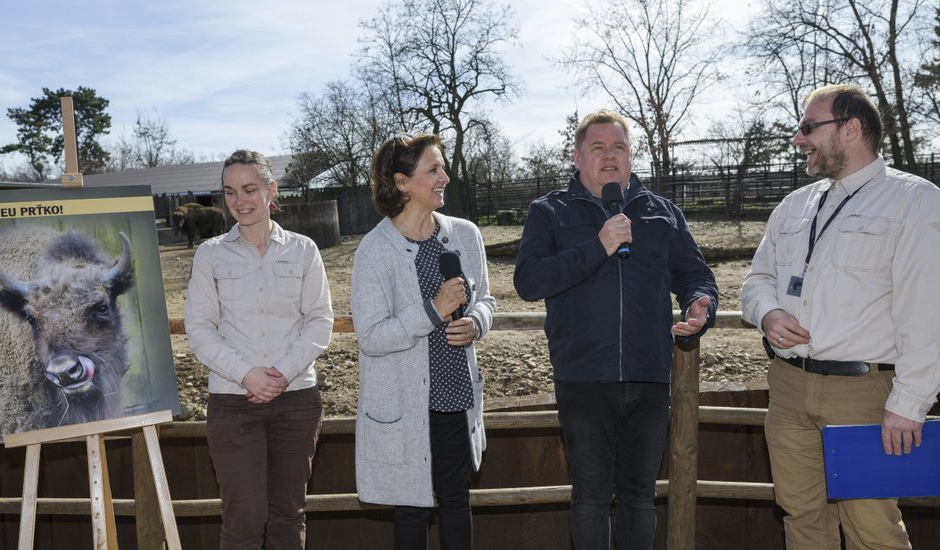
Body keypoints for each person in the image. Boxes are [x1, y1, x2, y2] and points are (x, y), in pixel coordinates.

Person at [741, 84, 940, 549]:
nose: (798, 138)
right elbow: (757, 280)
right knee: (801, 518)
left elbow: (927, 311)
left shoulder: (915, 201)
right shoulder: (794, 204)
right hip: (788, 390)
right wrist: (767, 313)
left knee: (872, 530)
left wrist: (909, 405)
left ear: (851, 129)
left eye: (809, 127)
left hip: (865, 397)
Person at [514, 109, 718, 549]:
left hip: (649, 376)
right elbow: (529, 282)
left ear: (630, 156)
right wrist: (599, 246)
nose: (610, 155)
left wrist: (701, 303)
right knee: (589, 498)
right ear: (576, 157)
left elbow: (696, 275)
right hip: (583, 377)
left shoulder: (662, 213)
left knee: (640, 499)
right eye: (598, 147)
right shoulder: (549, 211)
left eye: (619, 147)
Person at [352, 133, 496, 550]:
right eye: (433, 170)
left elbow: (486, 298)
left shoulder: (465, 234)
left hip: (456, 397)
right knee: (411, 509)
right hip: (404, 405)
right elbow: (372, 336)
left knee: (456, 501)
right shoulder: (375, 250)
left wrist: (477, 324)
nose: (444, 177)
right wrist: (432, 310)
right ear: (401, 183)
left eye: (442, 167)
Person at [185, 149, 334, 550]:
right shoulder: (210, 254)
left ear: (271, 190)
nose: (240, 201)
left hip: (296, 400)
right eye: (230, 191)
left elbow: (320, 320)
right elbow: (199, 328)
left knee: (289, 514)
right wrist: (247, 374)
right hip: (234, 405)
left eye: (249, 189)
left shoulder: (304, 250)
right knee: (244, 519)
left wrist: (282, 373)